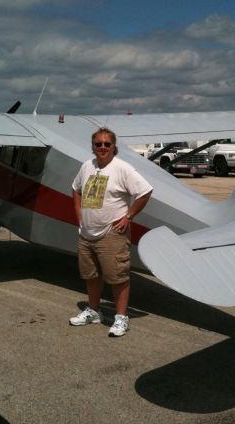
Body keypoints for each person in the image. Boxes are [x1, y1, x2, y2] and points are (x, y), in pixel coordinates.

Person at [70, 127, 153, 337]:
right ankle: (94, 310)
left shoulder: (123, 168)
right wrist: (79, 215)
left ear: (114, 147)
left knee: (118, 277)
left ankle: (121, 317)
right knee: (91, 275)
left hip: (111, 234)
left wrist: (129, 216)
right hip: (86, 233)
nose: (103, 147)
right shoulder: (87, 166)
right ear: (93, 147)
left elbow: (145, 191)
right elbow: (76, 189)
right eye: (98, 144)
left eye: (107, 144)